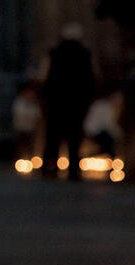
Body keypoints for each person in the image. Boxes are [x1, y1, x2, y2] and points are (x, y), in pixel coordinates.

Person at [41, 23, 95, 180]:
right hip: (77, 102)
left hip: (56, 101)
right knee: (74, 137)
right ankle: (73, 170)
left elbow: (44, 76)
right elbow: (91, 78)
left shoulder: (54, 53)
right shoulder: (85, 54)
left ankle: (50, 168)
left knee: (53, 136)